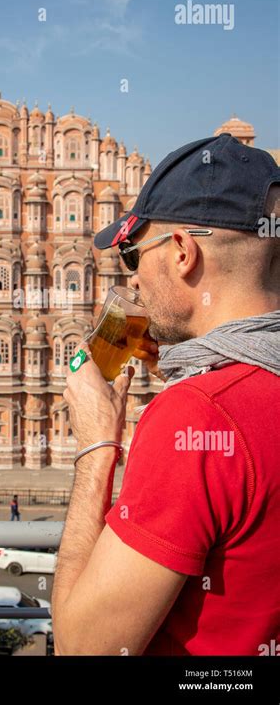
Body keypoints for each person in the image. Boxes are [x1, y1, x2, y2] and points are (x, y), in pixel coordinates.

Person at [52, 133, 280, 656]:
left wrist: (95, 448)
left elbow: (83, 649)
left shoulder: (197, 420)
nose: (131, 280)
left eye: (133, 254)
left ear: (182, 252)